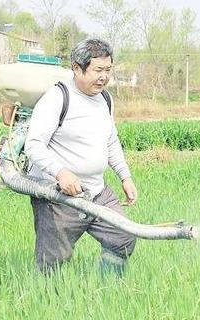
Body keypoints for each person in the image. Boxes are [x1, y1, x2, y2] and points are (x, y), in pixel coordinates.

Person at [24, 38, 137, 276]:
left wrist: (125, 177)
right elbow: (33, 144)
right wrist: (61, 172)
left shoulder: (105, 99)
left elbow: (111, 141)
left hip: (97, 192)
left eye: (108, 70)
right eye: (98, 70)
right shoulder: (57, 98)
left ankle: (109, 291)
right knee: (52, 262)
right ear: (77, 67)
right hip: (58, 197)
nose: (104, 77)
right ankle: (46, 303)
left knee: (123, 238)